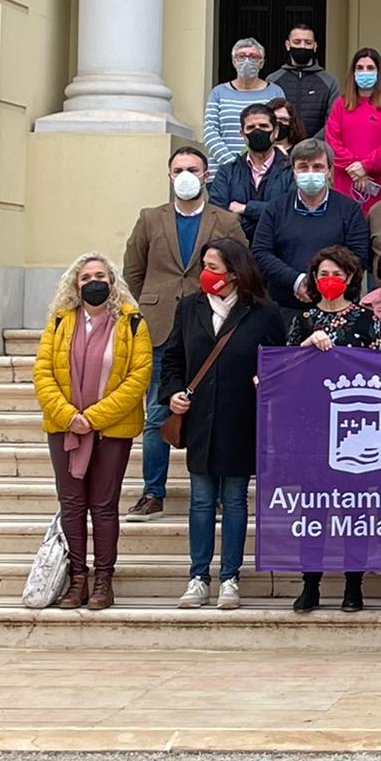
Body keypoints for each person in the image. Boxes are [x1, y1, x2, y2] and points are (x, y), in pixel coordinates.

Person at [160, 239, 287, 611]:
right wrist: (172, 395)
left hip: (240, 419)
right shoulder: (189, 308)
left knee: (234, 500)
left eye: (213, 266)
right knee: (200, 501)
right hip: (200, 421)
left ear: (234, 272)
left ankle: (230, 577)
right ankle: (198, 577)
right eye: (205, 265)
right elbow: (172, 360)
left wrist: (266, 383)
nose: (206, 272)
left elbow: (278, 364)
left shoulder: (262, 313)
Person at [121, 145, 245, 522]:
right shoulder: (149, 218)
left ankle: (220, 492)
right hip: (159, 326)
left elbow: (241, 266)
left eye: (193, 168)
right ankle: (152, 492)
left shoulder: (224, 221)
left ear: (206, 175)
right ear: (169, 174)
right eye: (179, 169)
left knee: (217, 411)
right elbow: (133, 270)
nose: (186, 175)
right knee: (158, 411)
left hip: (211, 325)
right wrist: (152, 301)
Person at [33, 253, 151, 610]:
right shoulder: (59, 322)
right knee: (71, 506)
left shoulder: (131, 323)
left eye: (100, 275)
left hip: (112, 429)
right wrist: (69, 416)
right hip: (65, 427)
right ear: (75, 284)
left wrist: (93, 417)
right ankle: (77, 580)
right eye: (86, 278)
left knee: (102, 505)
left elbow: (138, 377)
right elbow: (42, 373)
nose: (93, 282)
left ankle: (103, 581)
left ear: (112, 282)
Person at [287, 245, 381, 615]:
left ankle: (352, 585)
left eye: (337, 274)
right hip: (312, 427)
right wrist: (305, 348)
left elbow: (379, 365)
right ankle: (310, 583)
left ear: (350, 279)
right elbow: (285, 370)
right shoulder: (305, 319)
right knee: (313, 509)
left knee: (355, 508)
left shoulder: (365, 318)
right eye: (322, 274)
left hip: (356, 426)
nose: (329, 280)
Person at [251, 137, 370, 314]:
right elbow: (261, 253)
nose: (310, 173)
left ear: (329, 171)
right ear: (294, 171)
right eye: (303, 167)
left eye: (318, 167)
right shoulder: (275, 208)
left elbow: (360, 255)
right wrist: (296, 281)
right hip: (285, 307)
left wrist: (323, 283)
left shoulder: (349, 209)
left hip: (337, 307)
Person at [324, 47, 381, 211]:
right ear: (353, 73)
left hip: (378, 183)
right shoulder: (340, 104)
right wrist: (356, 167)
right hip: (345, 180)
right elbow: (332, 141)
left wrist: (367, 166)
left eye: (370, 68)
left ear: (379, 72)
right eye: (359, 68)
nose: (364, 72)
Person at [209, 102, 294, 240]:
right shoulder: (226, 172)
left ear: (276, 131)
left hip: (279, 250)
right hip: (236, 251)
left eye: (264, 126)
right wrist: (267, 215)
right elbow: (217, 215)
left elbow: (289, 213)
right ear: (242, 134)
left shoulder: (291, 171)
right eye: (251, 127)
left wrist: (245, 209)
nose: (257, 131)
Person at [202, 37, 284, 171]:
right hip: (221, 171)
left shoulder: (275, 92)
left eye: (253, 56)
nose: (247, 61)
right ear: (234, 61)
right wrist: (233, 164)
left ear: (261, 63)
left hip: (264, 172)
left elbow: (280, 131)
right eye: (241, 56)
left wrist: (259, 165)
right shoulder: (218, 93)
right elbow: (210, 132)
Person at [266, 23, 339, 139]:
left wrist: (313, 144)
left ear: (315, 46)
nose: (302, 46)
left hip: (317, 150)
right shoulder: (273, 80)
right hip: (281, 148)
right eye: (297, 42)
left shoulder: (329, 82)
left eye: (308, 43)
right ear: (287, 45)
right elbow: (267, 117)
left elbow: (334, 120)